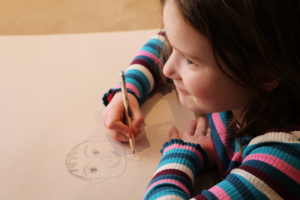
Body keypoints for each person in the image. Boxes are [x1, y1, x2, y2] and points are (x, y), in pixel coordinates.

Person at [102, 0, 300, 199]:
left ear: (262, 75)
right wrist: (128, 91)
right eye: (174, 48)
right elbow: (174, 37)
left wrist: (182, 158)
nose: (167, 69)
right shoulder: (248, 81)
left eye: (190, 60)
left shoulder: (283, 160)